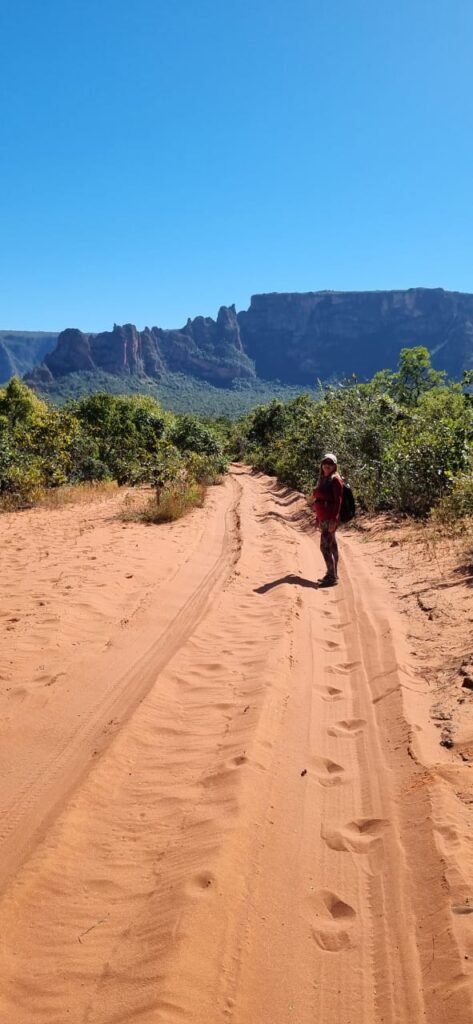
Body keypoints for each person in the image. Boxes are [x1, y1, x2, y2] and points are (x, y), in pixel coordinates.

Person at [312, 453, 343, 586]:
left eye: (330, 464)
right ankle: (333, 574)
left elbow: (338, 501)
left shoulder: (335, 479)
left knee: (324, 547)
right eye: (325, 463)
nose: (327, 466)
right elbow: (319, 500)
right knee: (332, 545)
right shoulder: (324, 478)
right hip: (324, 517)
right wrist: (317, 517)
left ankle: (331, 577)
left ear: (335, 466)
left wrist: (334, 519)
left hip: (330, 518)